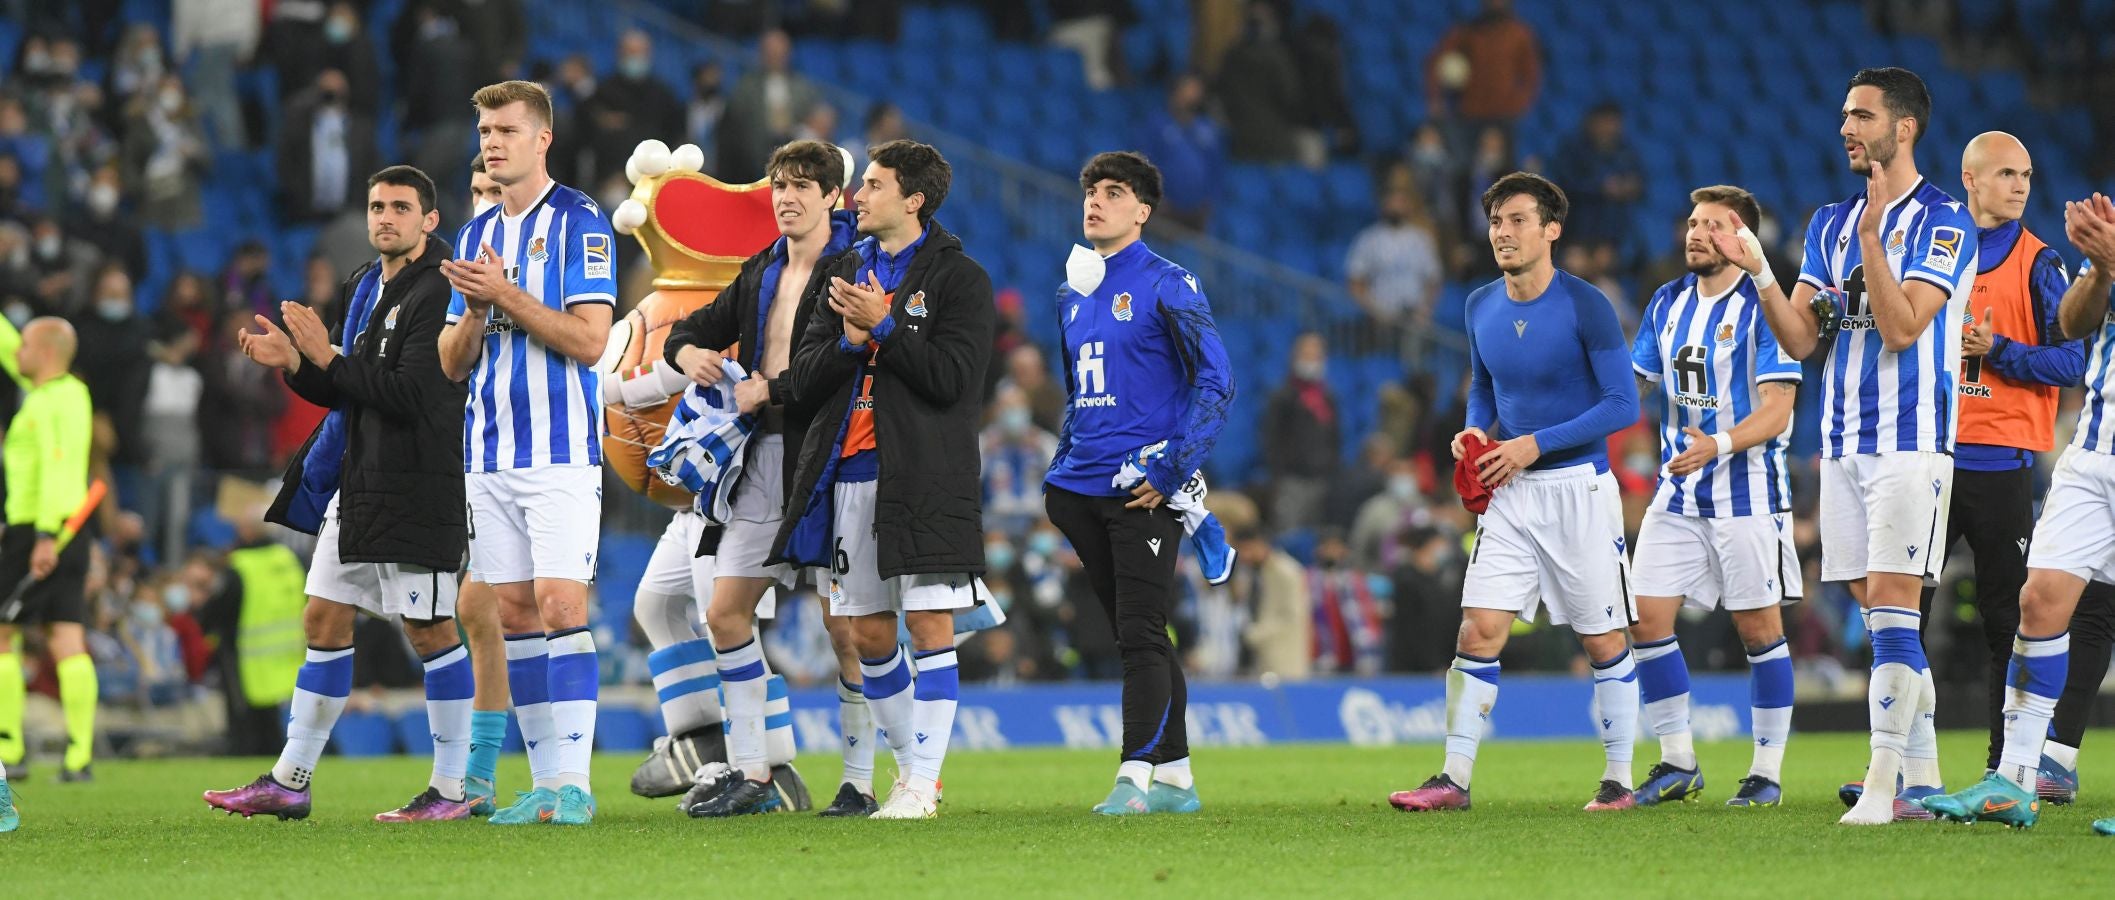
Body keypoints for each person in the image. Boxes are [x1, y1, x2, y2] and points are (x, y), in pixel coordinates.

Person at [201, 165, 474, 822]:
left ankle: (450, 790)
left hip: (417, 483)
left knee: (430, 629)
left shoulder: (440, 291)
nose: (385, 217)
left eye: (400, 208)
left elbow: (412, 395)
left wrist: (325, 358)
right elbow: (344, 389)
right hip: (359, 481)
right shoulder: (364, 285)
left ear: (429, 220)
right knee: (322, 617)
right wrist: (295, 365)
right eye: (377, 206)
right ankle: (291, 780)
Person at [1753, 67, 1976, 826]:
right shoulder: (1826, 222)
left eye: (1860, 115)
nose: (1845, 127)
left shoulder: (1945, 220)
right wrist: (1759, 273)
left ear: (1902, 127)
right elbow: (1800, 338)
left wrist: (1876, 241)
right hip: (1840, 445)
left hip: (1910, 444)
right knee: (1879, 612)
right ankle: (1923, 780)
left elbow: (1900, 327)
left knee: (1889, 611)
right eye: (1843, 114)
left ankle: (1881, 792)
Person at [1387, 172, 1640, 813]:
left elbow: (1622, 404)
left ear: (1551, 229)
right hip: (1510, 491)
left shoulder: (1587, 304)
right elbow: (1484, 388)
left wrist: (1536, 443)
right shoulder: (1479, 306)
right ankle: (1453, 779)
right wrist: (1477, 428)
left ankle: (1619, 779)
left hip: (1578, 489)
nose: (1503, 232)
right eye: (1497, 220)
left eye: (1518, 219)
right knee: (1478, 629)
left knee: (1604, 640)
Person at [768, 139, 993, 819]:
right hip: (849, 474)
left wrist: (886, 326)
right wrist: (847, 340)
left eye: (871, 184)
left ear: (912, 199)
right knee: (865, 635)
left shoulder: (960, 280)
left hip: (926, 475)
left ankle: (921, 785)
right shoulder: (841, 271)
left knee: (928, 623)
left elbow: (953, 380)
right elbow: (800, 383)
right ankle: (910, 773)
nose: (856, 196)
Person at [657, 139, 864, 817]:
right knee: (724, 613)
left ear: (834, 197)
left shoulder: (853, 266)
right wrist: (689, 352)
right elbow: (693, 327)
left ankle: (859, 781)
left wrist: (768, 389)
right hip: (763, 459)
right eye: (779, 184)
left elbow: (844, 360)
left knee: (850, 629)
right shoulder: (762, 267)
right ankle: (754, 772)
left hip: (827, 459)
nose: (786, 197)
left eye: (803, 185)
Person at [437, 81, 617, 827]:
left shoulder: (580, 219)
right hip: (489, 452)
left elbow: (589, 340)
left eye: (506, 129)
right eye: (484, 129)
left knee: (559, 605)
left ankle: (573, 784)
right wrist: (476, 311)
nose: (491, 141)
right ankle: (544, 785)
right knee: (512, 613)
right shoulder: (477, 236)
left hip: (559, 452)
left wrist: (506, 298)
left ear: (542, 138)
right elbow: (452, 362)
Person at [1924, 132, 2115, 799]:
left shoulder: (2038, 261)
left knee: (2012, 617)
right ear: (1968, 180)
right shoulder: (1931, 250)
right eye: (2006, 173)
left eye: (2027, 175)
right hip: (1930, 453)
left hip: (2002, 460)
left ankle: (2012, 764)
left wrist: (2001, 349)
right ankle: (1911, 767)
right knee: (1903, 611)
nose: (2019, 185)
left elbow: (2068, 360)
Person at [1044, 150, 1233, 815]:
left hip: (1141, 490)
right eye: (1090, 189)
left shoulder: (1168, 282)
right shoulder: (1071, 292)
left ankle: (1134, 778)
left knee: (1141, 633)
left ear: (1143, 211)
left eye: (1114, 192)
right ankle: (1176, 779)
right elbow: (1077, 394)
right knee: (1135, 633)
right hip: (1080, 491)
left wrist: (1173, 467)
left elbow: (1216, 380)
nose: (1095, 201)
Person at [1625, 185, 1802, 808]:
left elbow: (1778, 411)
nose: (1696, 234)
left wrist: (1719, 443)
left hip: (1747, 494)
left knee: (1758, 631)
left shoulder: (1765, 308)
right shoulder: (1668, 301)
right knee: (1645, 619)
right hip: (1677, 493)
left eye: (1713, 227)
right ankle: (1677, 761)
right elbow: (1632, 386)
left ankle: (1766, 773)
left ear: (1743, 240)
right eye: (1692, 223)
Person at [0, 316, 97, 783]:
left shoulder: (51, 401)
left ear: (43, 352)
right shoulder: (67, 394)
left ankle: (10, 748)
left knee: (2, 635)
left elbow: (58, 470)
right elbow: (8, 348)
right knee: (66, 637)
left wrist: (42, 537)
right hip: (69, 530)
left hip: (37, 531)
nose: (15, 352)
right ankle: (79, 757)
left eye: (24, 346)